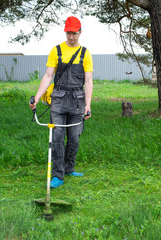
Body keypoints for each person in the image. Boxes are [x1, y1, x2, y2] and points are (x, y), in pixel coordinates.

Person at [29, 16, 93, 188]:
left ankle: (69, 167)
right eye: (68, 33)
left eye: (74, 33)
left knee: (74, 138)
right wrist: (36, 97)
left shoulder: (85, 53)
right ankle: (58, 175)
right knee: (56, 137)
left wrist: (88, 105)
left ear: (80, 32)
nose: (71, 36)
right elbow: (48, 76)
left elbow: (88, 81)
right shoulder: (56, 51)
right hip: (58, 101)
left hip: (78, 101)